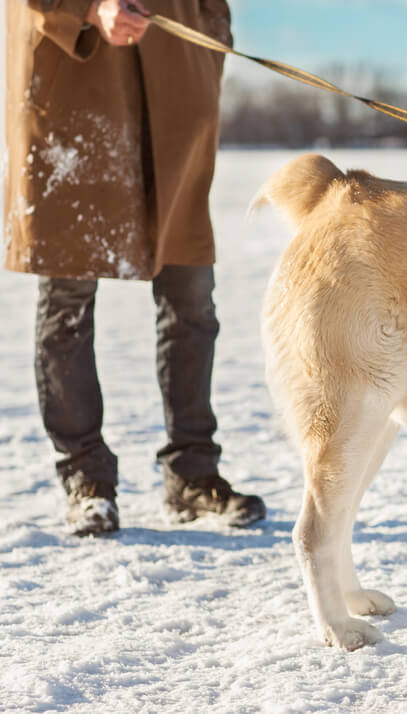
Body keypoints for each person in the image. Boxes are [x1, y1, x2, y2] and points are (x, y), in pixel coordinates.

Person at [4, 0, 265, 535]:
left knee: (190, 291)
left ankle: (192, 474)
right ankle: (86, 477)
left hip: (176, 81)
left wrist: (212, 29)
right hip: (77, 80)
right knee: (68, 295)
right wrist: (85, 9)